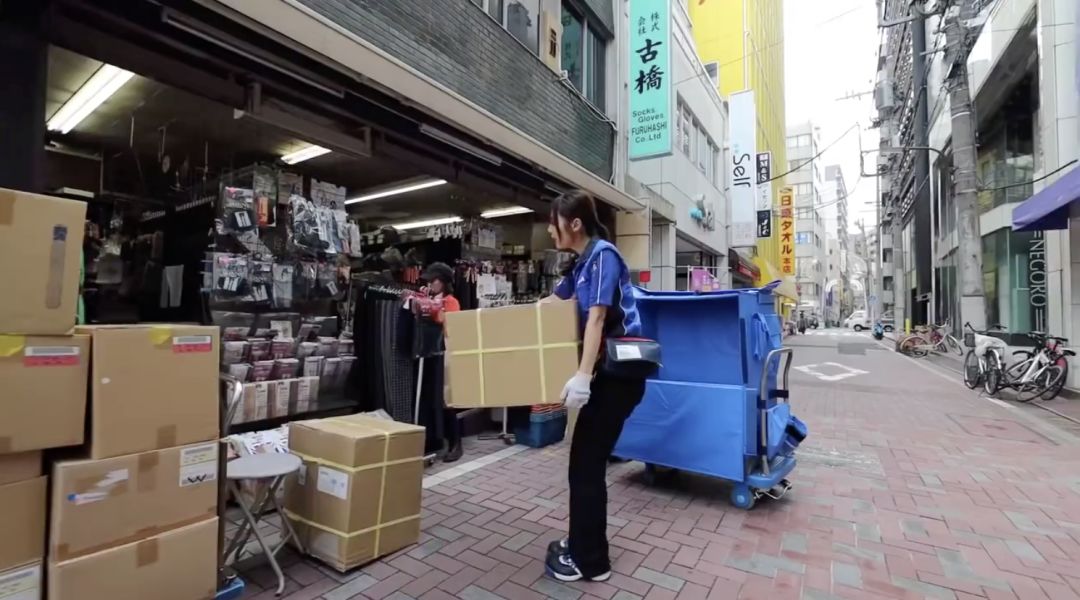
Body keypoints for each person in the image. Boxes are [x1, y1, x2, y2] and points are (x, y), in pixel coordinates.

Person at [540, 190, 645, 582]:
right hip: (605, 376)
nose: (551, 229)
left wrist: (583, 376)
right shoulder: (580, 265)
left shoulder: (603, 256)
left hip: (618, 378)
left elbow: (597, 319)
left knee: (585, 464)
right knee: (584, 464)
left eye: (555, 222)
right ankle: (584, 543)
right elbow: (552, 304)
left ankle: (591, 562)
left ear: (575, 223)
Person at [423, 262, 464, 462]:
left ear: (444, 282)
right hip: (433, 356)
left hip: (447, 356)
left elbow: (448, 323)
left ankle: (456, 443)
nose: (431, 283)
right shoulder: (433, 298)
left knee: (449, 401)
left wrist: (429, 307)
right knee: (436, 400)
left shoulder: (451, 301)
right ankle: (438, 439)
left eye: (435, 280)